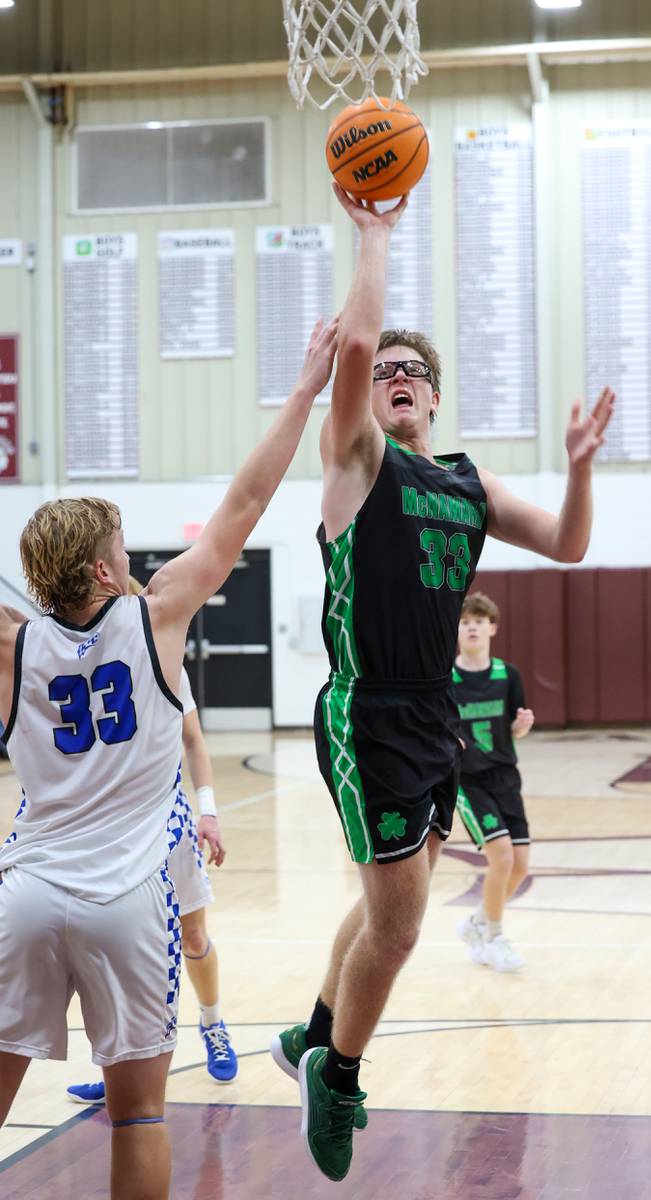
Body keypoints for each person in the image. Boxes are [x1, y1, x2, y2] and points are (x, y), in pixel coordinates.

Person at [270, 182, 614, 1183]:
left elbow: (567, 544)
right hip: (366, 712)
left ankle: (314, 1030)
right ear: (365, 393)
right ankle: (335, 1076)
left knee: (395, 896)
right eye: (383, 371)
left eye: (414, 371)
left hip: (432, 718)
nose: (398, 378)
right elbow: (353, 346)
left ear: (434, 393)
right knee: (403, 922)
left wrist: (578, 466)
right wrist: (372, 235)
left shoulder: (466, 482)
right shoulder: (353, 460)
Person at [0, 317, 337, 1200]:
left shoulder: (13, 648)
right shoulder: (155, 616)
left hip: (26, 894)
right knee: (140, 1115)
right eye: (121, 548)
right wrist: (304, 390)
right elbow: (246, 505)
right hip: (123, 900)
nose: (134, 557)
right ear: (107, 572)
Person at [67, 614, 237, 1103]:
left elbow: (193, 740)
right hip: (109, 831)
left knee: (193, 933)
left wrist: (208, 812)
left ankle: (213, 1023)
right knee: (116, 949)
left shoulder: (165, 666)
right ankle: (117, 1067)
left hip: (168, 821)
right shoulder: (79, 670)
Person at [453, 591, 534, 973]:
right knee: (501, 857)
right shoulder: (446, 679)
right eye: (465, 621)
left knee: (518, 865)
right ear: (456, 629)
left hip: (506, 777)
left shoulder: (507, 675)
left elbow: (515, 728)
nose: (471, 627)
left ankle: (474, 924)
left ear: (492, 628)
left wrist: (521, 728)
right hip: (469, 783)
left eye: (478, 621)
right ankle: (495, 937)